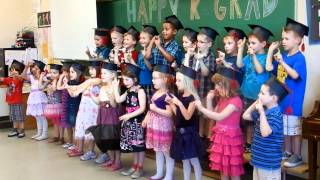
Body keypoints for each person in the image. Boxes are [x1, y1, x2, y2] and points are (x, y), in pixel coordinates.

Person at [266, 18, 309, 167]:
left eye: (286, 38)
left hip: (293, 100)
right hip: (282, 100)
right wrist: (271, 51)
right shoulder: (284, 56)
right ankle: (287, 152)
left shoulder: (299, 58)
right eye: (282, 38)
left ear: (298, 40)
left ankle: (297, 155)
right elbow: (269, 68)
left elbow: (296, 75)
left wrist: (283, 63)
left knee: (294, 130)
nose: (283, 41)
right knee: (285, 129)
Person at [195, 67, 244, 180]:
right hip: (221, 138)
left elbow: (219, 116)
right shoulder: (222, 99)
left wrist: (201, 108)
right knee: (223, 169)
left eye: (218, 84)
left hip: (231, 140)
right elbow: (210, 115)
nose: (216, 87)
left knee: (233, 170)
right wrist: (208, 99)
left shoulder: (235, 101)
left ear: (227, 85)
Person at [243, 77, 289, 180]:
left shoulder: (276, 114)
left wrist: (262, 113)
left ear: (273, 98)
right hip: (259, 162)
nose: (259, 95)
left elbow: (265, 133)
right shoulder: (265, 112)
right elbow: (245, 115)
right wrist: (257, 102)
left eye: (262, 93)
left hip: (269, 166)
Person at [237, 24, 272, 152]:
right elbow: (240, 64)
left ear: (263, 44)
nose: (250, 45)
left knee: (257, 120)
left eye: (253, 43)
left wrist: (253, 57)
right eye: (249, 43)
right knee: (246, 121)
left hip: (258, 96)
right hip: (246, 93)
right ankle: (248, 144)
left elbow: (260, 70)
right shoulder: (249, 56)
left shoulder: (265, 57)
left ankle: (256, 144)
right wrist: (241, 49)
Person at [167, 65, 203, 180]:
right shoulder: (181, 96)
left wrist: (178, 103)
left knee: (193, 160)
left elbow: (187, 116)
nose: (176, 83)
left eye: (179, 80)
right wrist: (171, 104)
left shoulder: (193, 98)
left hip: (189, 134)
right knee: (184, 160)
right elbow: (178, 113)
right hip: (180, 133)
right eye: (176, 80)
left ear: (187, 81)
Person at [142, 65, 175, 180]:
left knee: (166, 151)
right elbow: (151, 108)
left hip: (163, 126)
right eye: (153, 78)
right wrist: (147, 117)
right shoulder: (155, 92)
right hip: (154, 126)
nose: (152, 80)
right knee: (158, 150)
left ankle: (169, 175)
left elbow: (170, 113)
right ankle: (159, 173)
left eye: (155, 78)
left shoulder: (168, 95)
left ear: (165, 79)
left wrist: (156, 110)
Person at [114, 64, 147, 178]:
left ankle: (140, 168)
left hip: (137, 122)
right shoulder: (128, 91)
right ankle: (134, 166)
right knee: (133, 146)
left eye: (127, 79)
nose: (125, 82)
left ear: (135, 79)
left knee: (139, 146)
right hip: (129, 121)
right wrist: (115, 87)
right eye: (123, 79)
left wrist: (129, 115)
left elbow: (142, 108)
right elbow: (118, 99)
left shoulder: (140, 91)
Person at [23, 60, 48, 141]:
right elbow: (23, 76)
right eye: (34, 68)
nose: (34, 69)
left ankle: (44, 133)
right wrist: (26, 67)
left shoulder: (43, 77)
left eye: (37, 68)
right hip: (33, 98)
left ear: (40, 69)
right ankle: (39, 132)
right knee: (37, 116)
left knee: (42, 116)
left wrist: (40, 76)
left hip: (40, 98)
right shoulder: (31, 77)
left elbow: (43, 86)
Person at [0, 60, 25, 138]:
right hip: (11, 102)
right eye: (11, 70)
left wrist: (17, 75)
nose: (12, 72)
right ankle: (15, 130)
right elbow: (2, 79)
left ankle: (21, 130)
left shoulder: (20, 80)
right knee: (13, 117)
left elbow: (21, 77)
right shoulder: (9, 79)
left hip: (18, 102)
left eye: (14, 70)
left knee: (19, 117)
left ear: (19, 72)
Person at [138, 25, 158, 103]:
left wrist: (145, 58)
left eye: (144, 38)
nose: (141, 40)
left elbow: (151, 69)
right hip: (140, 83)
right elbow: (139, 67)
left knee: (149, 104)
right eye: (140, 38)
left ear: (151, 39)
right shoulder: (140, 52)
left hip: (149, 83)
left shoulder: (153, 52)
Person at [44, 64, 63, 142]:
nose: (52, 74)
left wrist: (55, 81)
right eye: (51, 72)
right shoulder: (49, 81)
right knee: (54, 121)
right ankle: (56, 136)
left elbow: (54, 89)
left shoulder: (59, 82)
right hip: (51, 104)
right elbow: (45, 89)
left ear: (59, 74)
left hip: (58, 104)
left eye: (55, 73)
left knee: (60, 121)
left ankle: (62, 137)